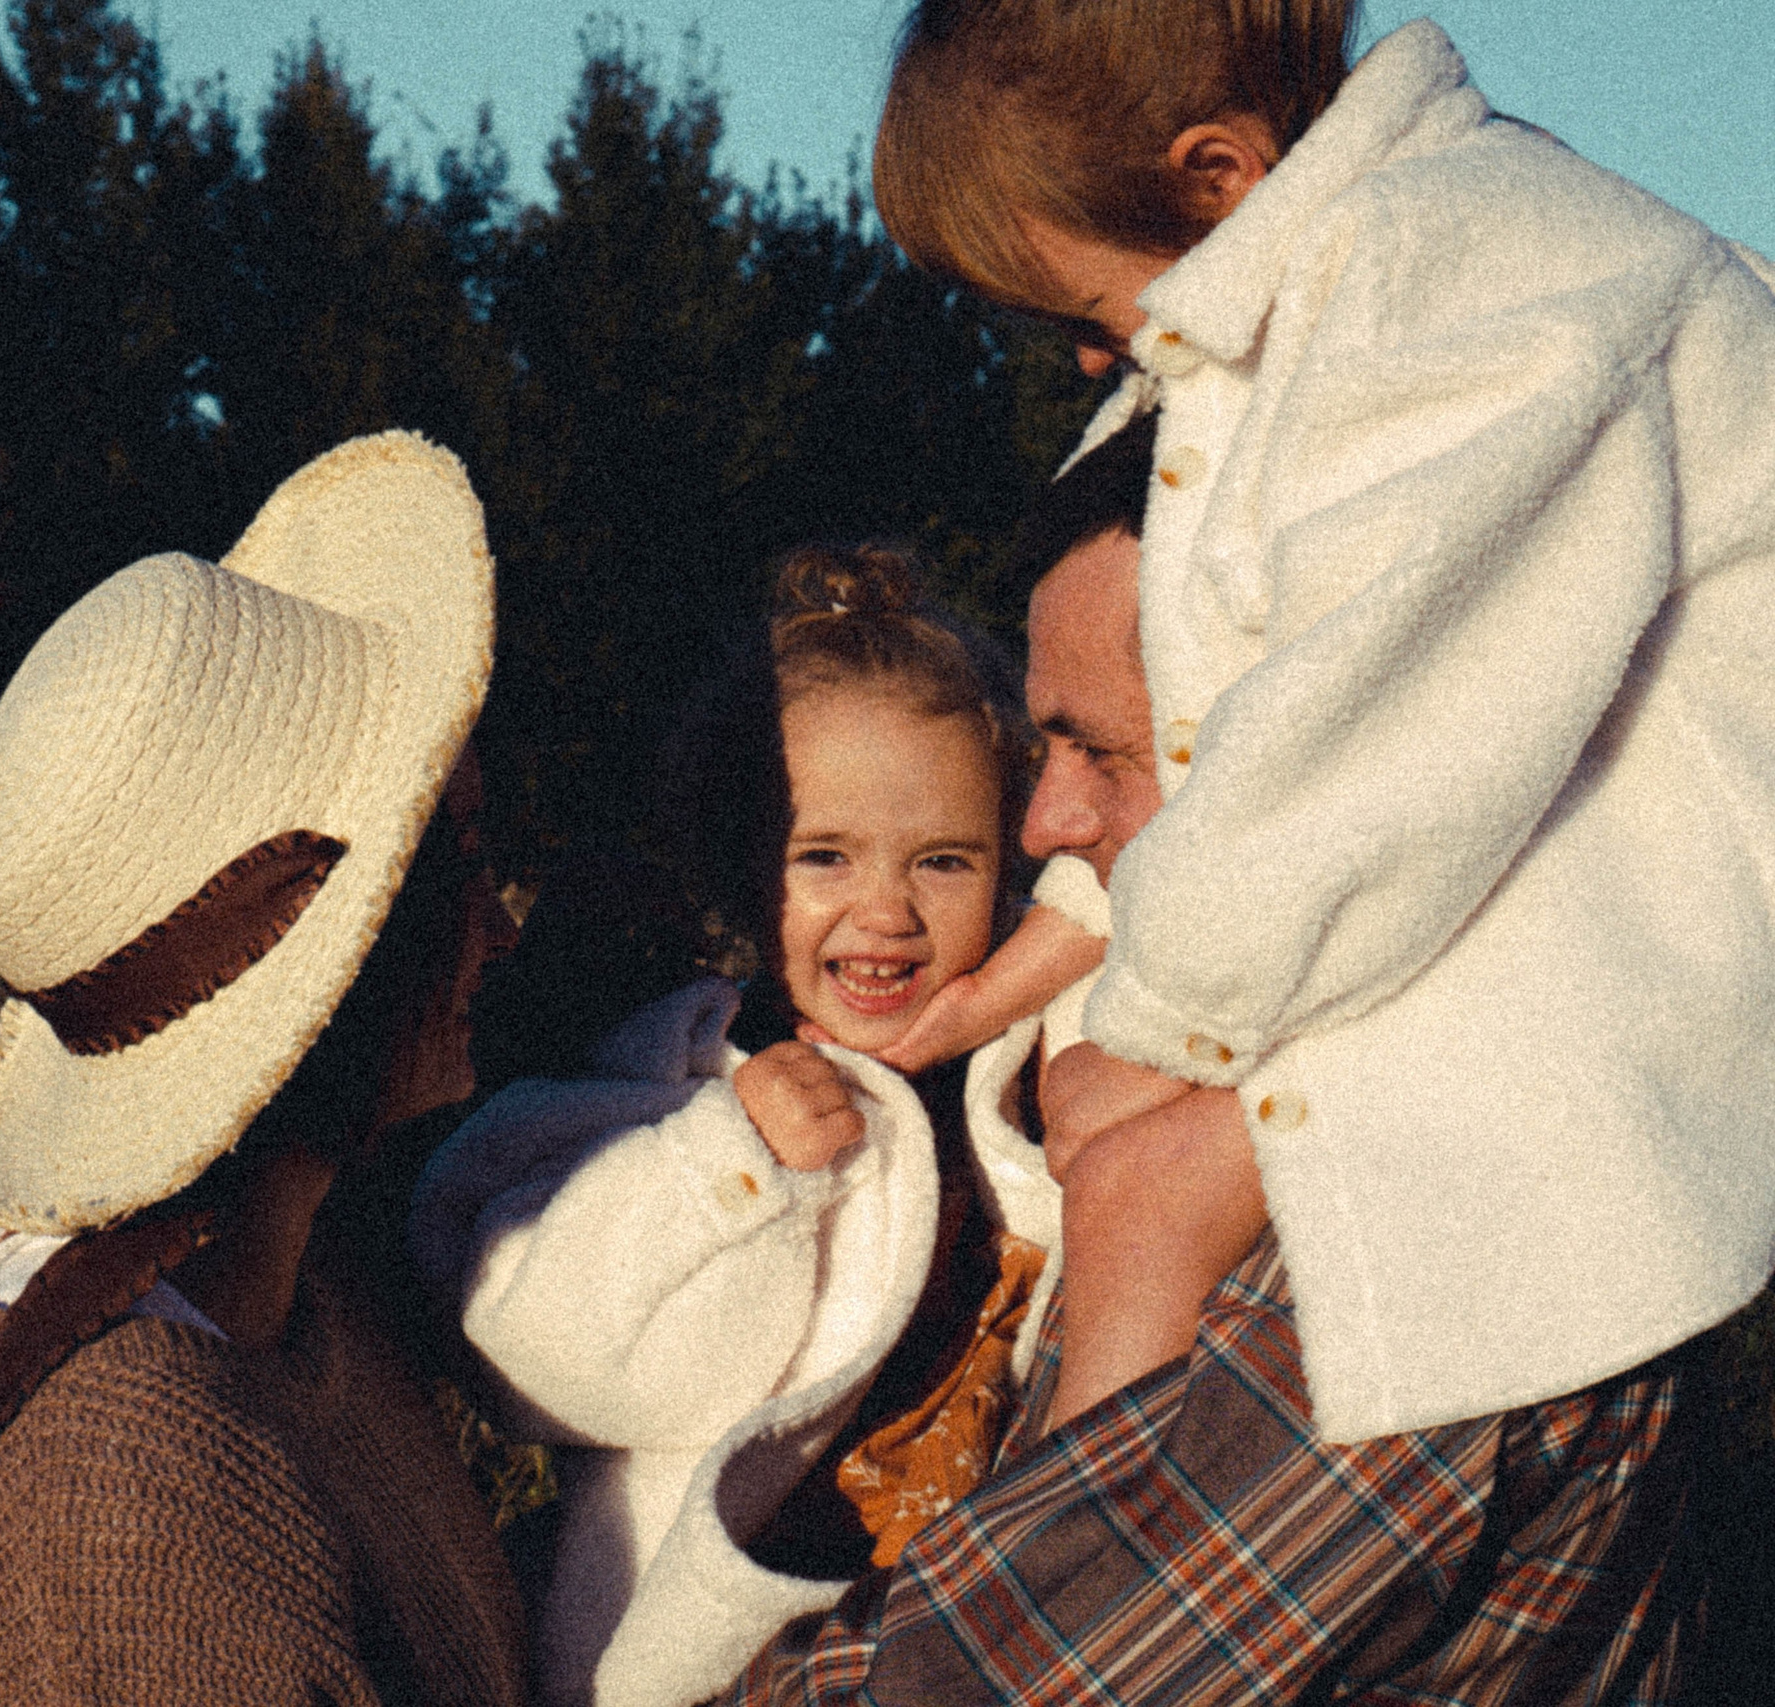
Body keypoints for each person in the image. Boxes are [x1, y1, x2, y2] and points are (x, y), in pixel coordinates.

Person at [867, 0, 1775, 1446]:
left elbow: (1376, 740)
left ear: (1217, 174)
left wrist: (1164, 1026)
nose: (1103, 364)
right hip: (1544, 877)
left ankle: (1068, 1579)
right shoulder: (1371, 269)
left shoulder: (1474, 269)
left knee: (1141, 1173)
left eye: (1091, 315)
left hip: (1635, 936)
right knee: (1108, 1133)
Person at [722, 438, 1700, 1707]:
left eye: (1108, 756)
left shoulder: (1394, 1233)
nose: (1043, 829)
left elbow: (974, 1682)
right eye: (1043, 747)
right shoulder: (1213, 1086)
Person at [0, 432, 529, 1707]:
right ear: (341, 963)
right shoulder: (121, 1506)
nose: (503, 927)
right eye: (461, 862)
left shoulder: (284, 1296)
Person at [411, 545, 1093, 1707]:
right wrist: (726, 1165)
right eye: (822, 857)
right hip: (714, 1658)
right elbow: (529, 1351)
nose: (884, 912)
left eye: (943, 860)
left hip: (982, 1618)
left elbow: (1166, 884)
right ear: (738, 864)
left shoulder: (1025, 1051)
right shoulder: (681, 1073)